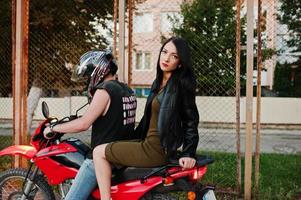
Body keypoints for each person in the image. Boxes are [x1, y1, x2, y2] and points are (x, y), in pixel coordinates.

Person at [93, 37, 200, 200]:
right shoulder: (159, 83)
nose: (166, 58)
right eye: (164, 52)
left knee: (98, 152)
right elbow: (147, 119)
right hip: (148, 143)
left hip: (155, 150)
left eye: (174, 56)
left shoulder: (181, 86)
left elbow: (191, 121)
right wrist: (128, 139)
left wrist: (189, 152)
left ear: (180, 63)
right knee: (108, 149)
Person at [43, 50, 137, 200]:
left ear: (97, 71)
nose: (87, 81)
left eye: (88, 76)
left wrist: (53, 128)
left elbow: (83, 124)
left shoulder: (104, 91)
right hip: (120, 155)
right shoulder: (126, 90)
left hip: (101, 160)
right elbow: (111, 116)